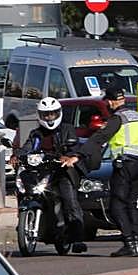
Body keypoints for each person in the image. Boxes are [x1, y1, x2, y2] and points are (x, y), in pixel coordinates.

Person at [60, 85, 138, 257]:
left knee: (117, 206)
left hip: (125, 166)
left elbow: (98, 138)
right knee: (131, 204)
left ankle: (129, 243)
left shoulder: (118, 119)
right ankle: (135, 241)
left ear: (110, 102)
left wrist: (78, 156)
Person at [20, 97, 87, 253]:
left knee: (69, 200)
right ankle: (24, 223)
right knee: (25, 190)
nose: (49, 118)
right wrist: (17, 155)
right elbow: (27, 147)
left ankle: (77, 239)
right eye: (46, 115)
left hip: (61, 171)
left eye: (52, 114)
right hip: (41, 171)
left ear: (58, 114)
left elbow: (73, 145)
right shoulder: (36, 133)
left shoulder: (67, 129)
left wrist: (67, 156)